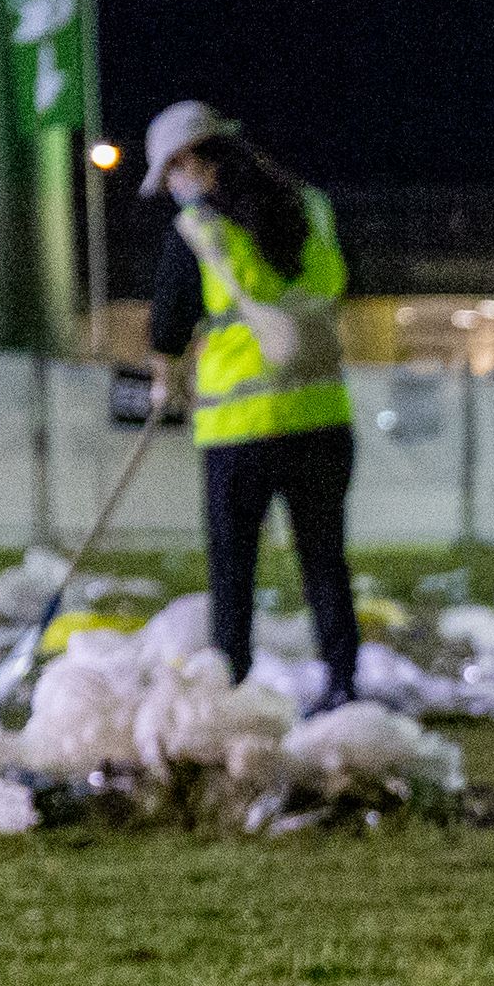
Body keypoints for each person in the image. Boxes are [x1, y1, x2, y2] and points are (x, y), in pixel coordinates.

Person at [140, 99, 360, 707]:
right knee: (324, 561)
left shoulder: (199, 230)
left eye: (172, 171)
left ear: (192, 159)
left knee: (233, 571)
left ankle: (229, 688)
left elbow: (168, 327)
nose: (173, 186)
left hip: (238, 430)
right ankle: (342, 683)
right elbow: (337, 284)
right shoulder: (311, 208)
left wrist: (166, 381)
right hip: (321, 418)